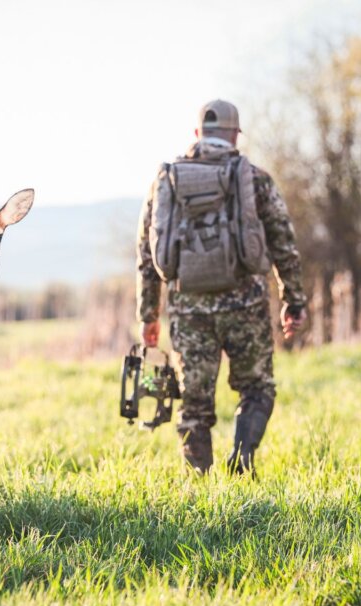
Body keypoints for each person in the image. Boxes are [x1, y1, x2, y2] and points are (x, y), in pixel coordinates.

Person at [136, 99, 308, 475]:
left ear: (197, 134)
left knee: (193, 405)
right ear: (235, 135)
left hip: (188, 309)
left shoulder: (165, 180)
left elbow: (147, 254)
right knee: (257, 388)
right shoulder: (254, 178)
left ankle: (200, 483)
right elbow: (283, 243)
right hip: (244, 305)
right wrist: (293, 301)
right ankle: (241, 462)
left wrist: (148, 314)